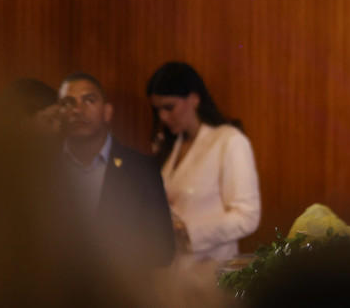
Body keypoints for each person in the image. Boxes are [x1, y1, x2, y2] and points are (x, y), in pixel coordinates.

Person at [146, 61, 260, 279]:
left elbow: (247, 216)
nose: (162, 117)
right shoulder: (167, 146)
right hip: (169, 274)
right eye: (157, 110)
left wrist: (187, 230)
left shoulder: (229, 141)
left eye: (169, 107)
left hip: (211, 271)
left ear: (194, 98)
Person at [57, 71, 177, 270]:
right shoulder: (43, 167)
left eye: (89, 100)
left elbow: (163, 249)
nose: (77, 110)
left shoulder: (141, 169)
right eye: (68, 102)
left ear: (107, 112)